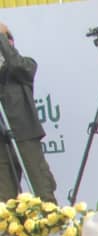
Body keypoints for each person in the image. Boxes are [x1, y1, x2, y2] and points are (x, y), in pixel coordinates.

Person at [0, 24, 56, 202]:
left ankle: (51, 219)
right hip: (1, 141)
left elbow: (16, 64)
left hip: (25, 134)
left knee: (41, 189)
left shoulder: (26, 65)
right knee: (4, 198)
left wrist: (1, 38)